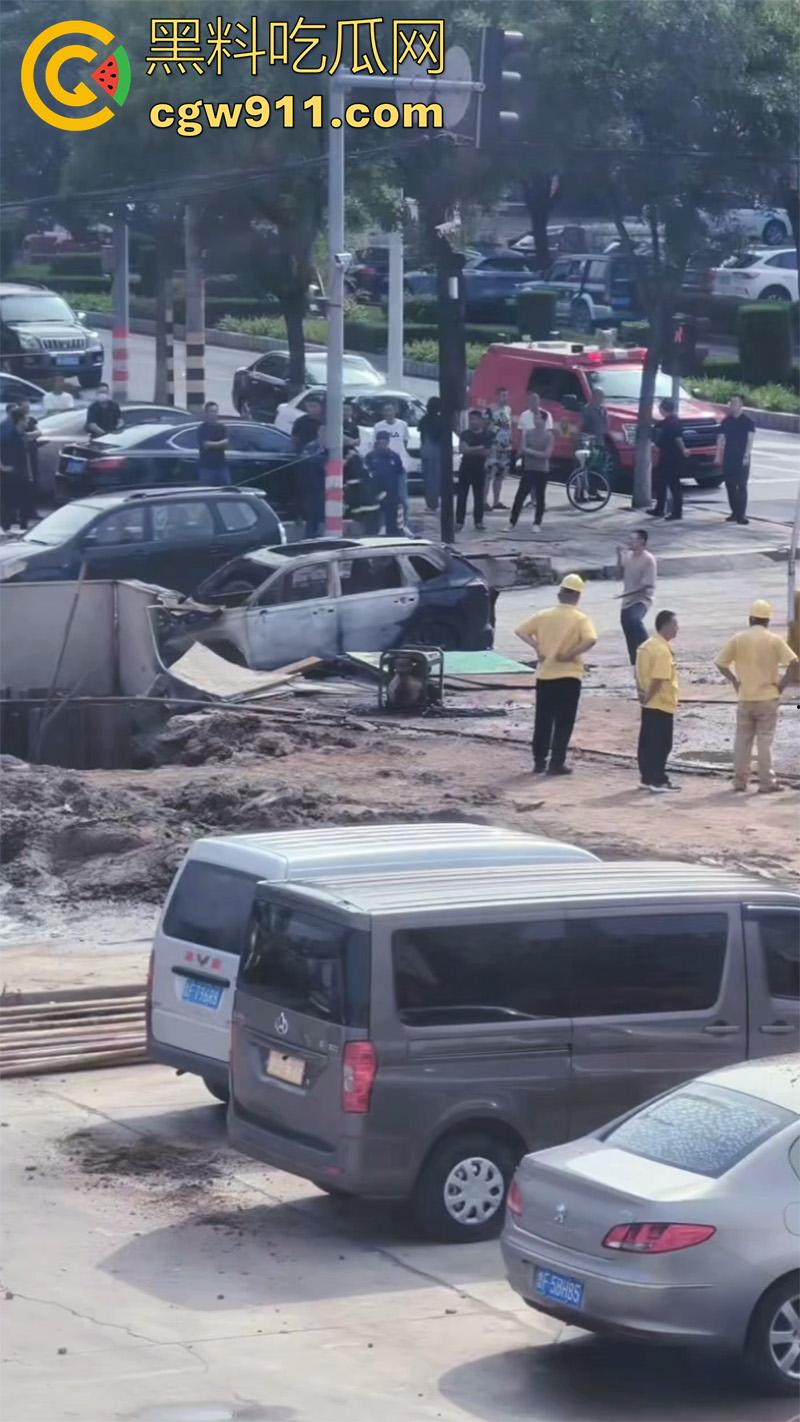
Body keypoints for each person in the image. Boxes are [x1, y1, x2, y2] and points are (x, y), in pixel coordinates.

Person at [515, 573, 597, 776]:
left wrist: (538, 648)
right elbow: (591, 639)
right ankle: (556, 763)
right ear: (578, 596)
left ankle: (539, 762)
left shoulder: (543, 615)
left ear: (560, 594)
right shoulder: (580, 619)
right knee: (564, 721)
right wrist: (570, 654)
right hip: (569, 676)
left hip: (545, 676)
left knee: (543, 720)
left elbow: (520, 630)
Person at [715, 599, 798, 794]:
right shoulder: (774, 639)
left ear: (750, 619)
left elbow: (720, 663)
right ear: (767, 621)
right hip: (768, 697)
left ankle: (739, 781)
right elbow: (794, 663)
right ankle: (766, 782)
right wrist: (782, 684)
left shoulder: (738, 639)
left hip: (745, 697)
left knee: (742, 741)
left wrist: (735, 681)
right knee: (764, 742)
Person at [635, 609, 680, 793]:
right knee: (661, 744)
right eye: (675, 624)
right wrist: (648, 696)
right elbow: (659, 678)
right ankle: (658, 779)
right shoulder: (662, 651)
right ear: (666, 626)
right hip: (660, 702)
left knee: (647, 742)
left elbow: (637, 673)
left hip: (648, 702)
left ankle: (646, 777)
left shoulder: (645, 646)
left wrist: (641, 695)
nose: (678, 628)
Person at [616, 529, 657, 664]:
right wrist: (618, 557)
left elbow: (647, 585)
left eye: (632, 539)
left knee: (635, 621)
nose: (629, 542)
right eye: (629, 539)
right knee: (628, 629)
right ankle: (636, 662)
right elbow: (619, 574)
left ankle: (652, 650)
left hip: (641, 599)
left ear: (641, 542)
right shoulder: (628, 556)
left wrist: (626, 593)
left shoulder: (648, 559)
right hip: (627, 600)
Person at [509, 407, 553, 529]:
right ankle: (512, 522)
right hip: (528, 468)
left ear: (544, 421)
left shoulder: (549, 436)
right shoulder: (528, 433)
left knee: (540, 497)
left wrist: (530, 451)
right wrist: (532, 452)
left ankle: (537, 523)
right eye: (535, 417)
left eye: (538, 418)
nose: (535, 420)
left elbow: (546, 455)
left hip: (542, 470)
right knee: (520, 496)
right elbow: (523, 449)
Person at [716, 394, 756, 526]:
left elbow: (750, 440)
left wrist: (746, 455)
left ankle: (741, 515)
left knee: (742, 485)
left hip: (742, 457)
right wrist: (718, 454)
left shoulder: (747, 422)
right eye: (731, 402)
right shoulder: (726, 421)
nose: (731, 405)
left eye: (734, 403)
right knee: (730, 485)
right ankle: (734, 512)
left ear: (740, 405)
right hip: (729, 456)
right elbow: (721, 438)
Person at [650, 397, 686, 521]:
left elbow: (678, 439)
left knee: (673, 485)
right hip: (668, 456)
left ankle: (675, 512)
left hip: (671, 457)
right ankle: (660, 509)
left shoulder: (672, 424)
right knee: (663, 483)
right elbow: (658, 424)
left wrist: (684, 450)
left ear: (663, 409)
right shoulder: (671, 422)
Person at [456, 409, 492, 532]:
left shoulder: (486, 435)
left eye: (474, 419)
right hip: (465, 467)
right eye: (470, 419)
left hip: (479, 468)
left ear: (481, 421)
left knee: (479, 496)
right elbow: (463, 450)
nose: (472, 422)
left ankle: (478, 521)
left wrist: (471, 449)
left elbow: (487, 451)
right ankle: (459, 521)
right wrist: (478, 448)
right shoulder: (465, 434)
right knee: (462, 495)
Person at [365, 429, 405, 536]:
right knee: (375, 521)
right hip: (376, 494)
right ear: (377, 442)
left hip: (392, 493)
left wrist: (400, 494)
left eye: (385, 441)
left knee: (392, 520)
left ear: (388, 442)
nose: (382, 444)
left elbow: (400, 474)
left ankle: (393, 534)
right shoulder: (370, 457)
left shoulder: (394, 457)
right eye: (380, 441)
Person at [486, 386, 513, 510]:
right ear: (497, 396)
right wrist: (497, 425)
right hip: (494, 446)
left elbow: (508, 427)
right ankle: (483, 501)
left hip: (505, 447)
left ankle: (496, 501)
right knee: (489, 474)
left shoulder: (508, 410)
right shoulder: (490, 410)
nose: (505, 398)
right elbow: (487, 428)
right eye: (503, 395)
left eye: (506, 395)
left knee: (500, 475)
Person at [418, 395, 443, 512]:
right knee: (436, 478)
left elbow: (422, 437)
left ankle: (430, 504)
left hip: (426, 450)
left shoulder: (424, 419)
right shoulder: (440, 420)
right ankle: (435, 503)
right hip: (436, 451)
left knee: (427, 479)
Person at [196, 401, 229, 486]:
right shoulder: (202, 428)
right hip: (207, 468)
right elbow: (206, 445)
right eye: (211, 411)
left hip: (221, 467)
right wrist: (219, 444)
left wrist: (213, 444)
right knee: (207, 493)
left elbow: (226, 444)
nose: (214, 414)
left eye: (215, 411)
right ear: (206, 413)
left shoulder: (221, 427)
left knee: (226, 492)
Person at [373, 401, 409, 471]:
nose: (388, 413)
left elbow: (405, 440)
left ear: (395, 411)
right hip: (385, 461)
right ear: (383, 413)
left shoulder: (403, 424)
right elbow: (375, 444)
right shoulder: (378, 426)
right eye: (385, 411)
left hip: (400, 459)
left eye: (390, 410)